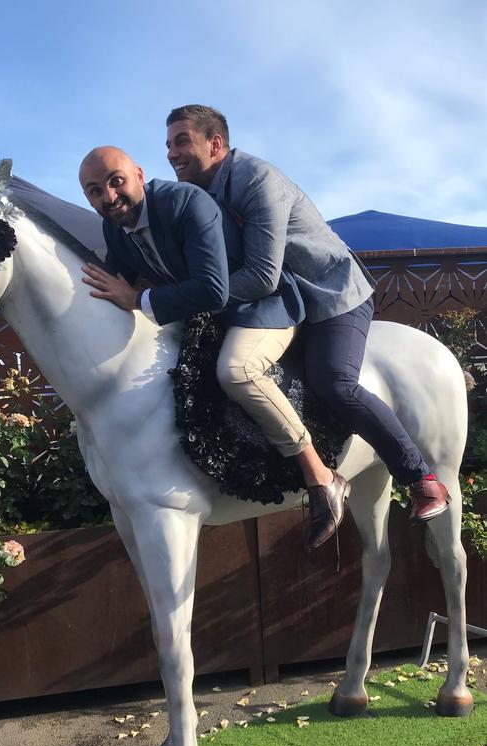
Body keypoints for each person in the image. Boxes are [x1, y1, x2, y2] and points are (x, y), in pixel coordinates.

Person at [164, 104, 449, 525]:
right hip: (283, 304)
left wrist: (187, 298)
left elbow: (260, 275)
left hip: (331, 296)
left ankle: (420, 477)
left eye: (181, 141)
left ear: (217, 143)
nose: (171, 153)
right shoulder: (202, 194)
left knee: (334, 383)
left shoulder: (256, 180)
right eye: (168, 145)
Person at [78, 146, 349, 548]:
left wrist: (137, 299)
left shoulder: (185, 202)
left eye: (116, 181)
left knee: (236, 372)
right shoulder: (113, 227)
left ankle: (321, 477)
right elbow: (120, 278)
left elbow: (212, 287)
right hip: (204, 318)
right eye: (95, 191)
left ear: (138, 173)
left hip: (260, 307)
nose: (109, 197)